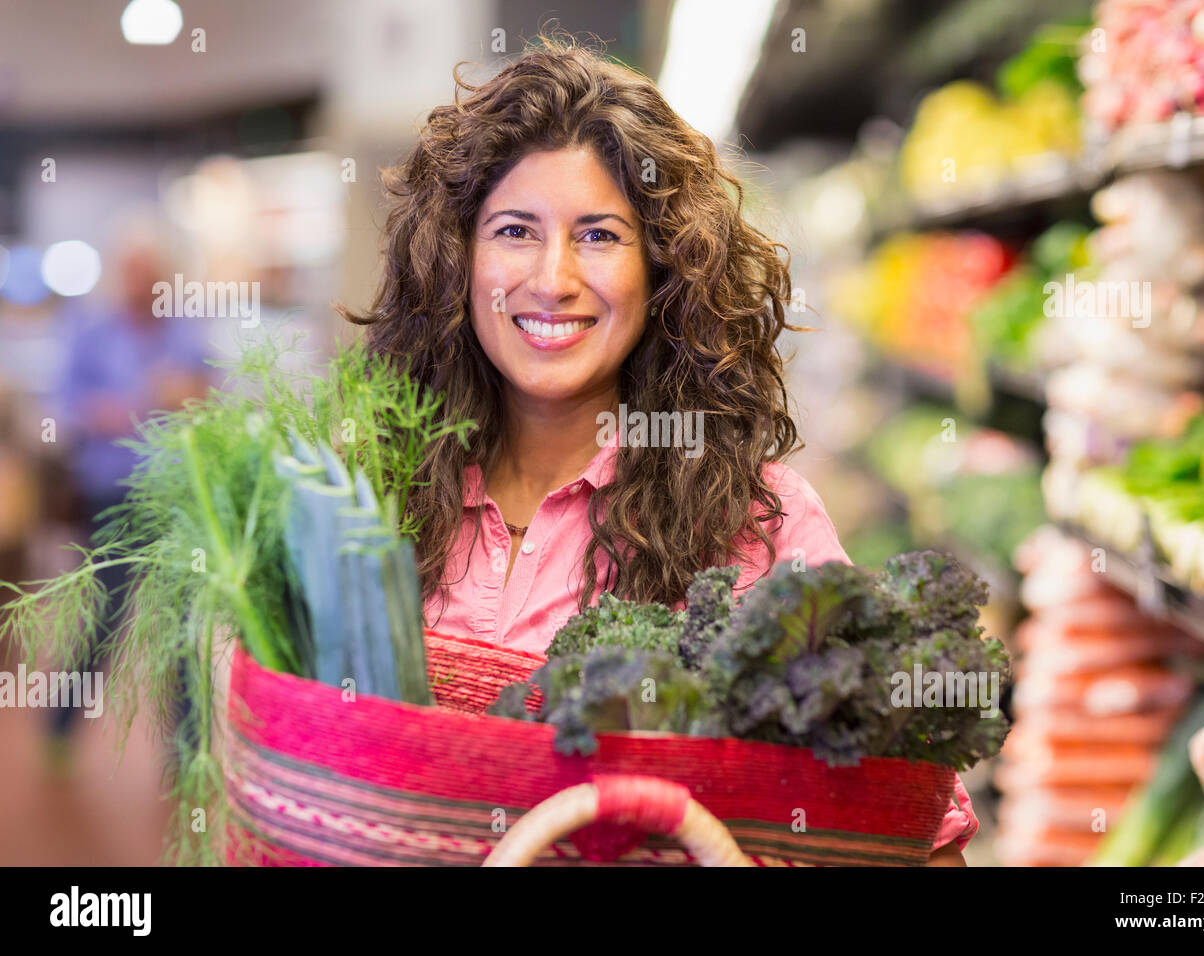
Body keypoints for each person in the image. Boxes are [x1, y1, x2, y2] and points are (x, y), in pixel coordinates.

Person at [346, 37, 975, 865]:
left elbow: (920, 839)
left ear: (663, 267)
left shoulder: (759, 521)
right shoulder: (366, 505)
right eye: (513, 230)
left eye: (600, 235)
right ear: (457, 260)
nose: (553, 277)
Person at [50, 223, 213, 768]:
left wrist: (186, 397)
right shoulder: (93, 332)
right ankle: (60, 725)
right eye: (132, 273)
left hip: (177, 496)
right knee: (107, 612)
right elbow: (68, 405)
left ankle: (186, 748)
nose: (140, 283)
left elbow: (208, 398)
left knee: (183, 621)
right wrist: (122, 410)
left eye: (149, 273)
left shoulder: (186, 333)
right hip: (113, 493)